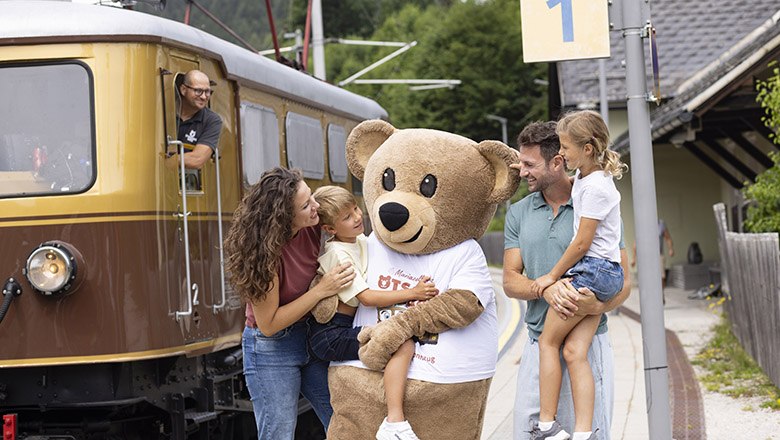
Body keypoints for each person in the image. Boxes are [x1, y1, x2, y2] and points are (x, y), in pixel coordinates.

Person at [503, 120, 632, 440]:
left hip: (588, 350)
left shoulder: (594, 200)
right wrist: (544, 289)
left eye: (529, 164)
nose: (522, 171)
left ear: (558, 161)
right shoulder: (518, 212)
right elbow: (508, 281)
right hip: (537, 345)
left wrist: (596, 305)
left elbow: (623, 281)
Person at [223, 167, 356, 439]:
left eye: (312, 197)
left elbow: (346, 219)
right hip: (272, 349)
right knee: (279, 433)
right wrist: (321, 290)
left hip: (310, 339)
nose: (315, 206)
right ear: (284, 218)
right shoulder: (264, 254)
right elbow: (269, 324)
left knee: (345, 422)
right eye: (306, 204)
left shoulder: (312, 224)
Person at [307, 185, 438, 440]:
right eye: (346, 217)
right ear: (330, 229)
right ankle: (395, 421)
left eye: (355, 208)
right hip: (331, 333)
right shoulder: (338, 254)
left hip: (342, 327)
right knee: (401, 344)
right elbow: (366, 298)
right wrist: (414, 292)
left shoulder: (359, 241)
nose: (357, 217)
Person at [172, 70, 222, 169]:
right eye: (198, 91)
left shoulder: (212, 120)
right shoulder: (163, 110)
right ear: (183, 90)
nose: (204, 97)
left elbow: (197, 159)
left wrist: (164, 162)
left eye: (207, 92)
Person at [631, 219, 674, 289]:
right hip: (646, 257)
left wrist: (671, 249)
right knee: (648, 277)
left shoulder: (660, 224)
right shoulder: (642, 225)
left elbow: (668, 238)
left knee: (661, 276)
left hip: (659, 255)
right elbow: (636, 242)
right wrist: (633, 258)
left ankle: (661, 296)